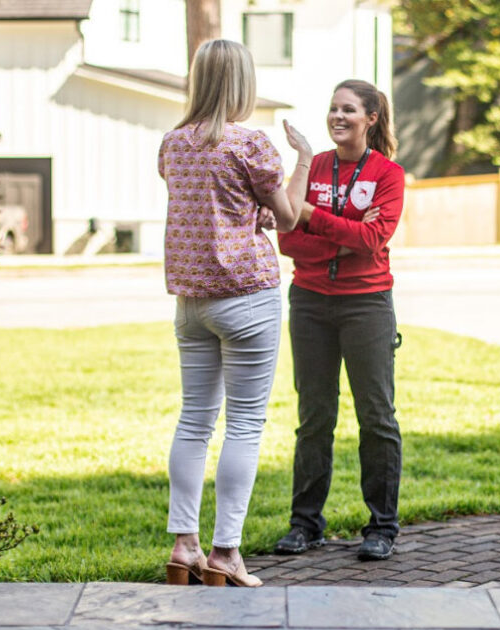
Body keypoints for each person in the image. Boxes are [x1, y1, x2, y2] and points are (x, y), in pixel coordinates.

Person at [158, 39, 312, 587]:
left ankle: (184, 546)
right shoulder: (252, 145)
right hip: (246, 297)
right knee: (244, 423)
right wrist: (306, 160)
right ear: (243, 83)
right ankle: (225, 554)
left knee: (194, 419)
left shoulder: (173, 144)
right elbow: (290, 217)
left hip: (190, 302)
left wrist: (251, 217)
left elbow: (217, 209)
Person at [273, 79, 405, 561]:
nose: (337, 117)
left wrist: (312, 216)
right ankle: (305, 524)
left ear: (371, 118)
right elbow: (287, 236)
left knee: (376, 416)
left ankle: (382, 527)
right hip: (309, 300)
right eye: (332, 108)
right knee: (314, 417)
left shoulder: (388, 174)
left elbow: (373, 241)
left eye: (348, 109)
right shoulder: (314, 166)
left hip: (366, 303)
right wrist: (338, 231)